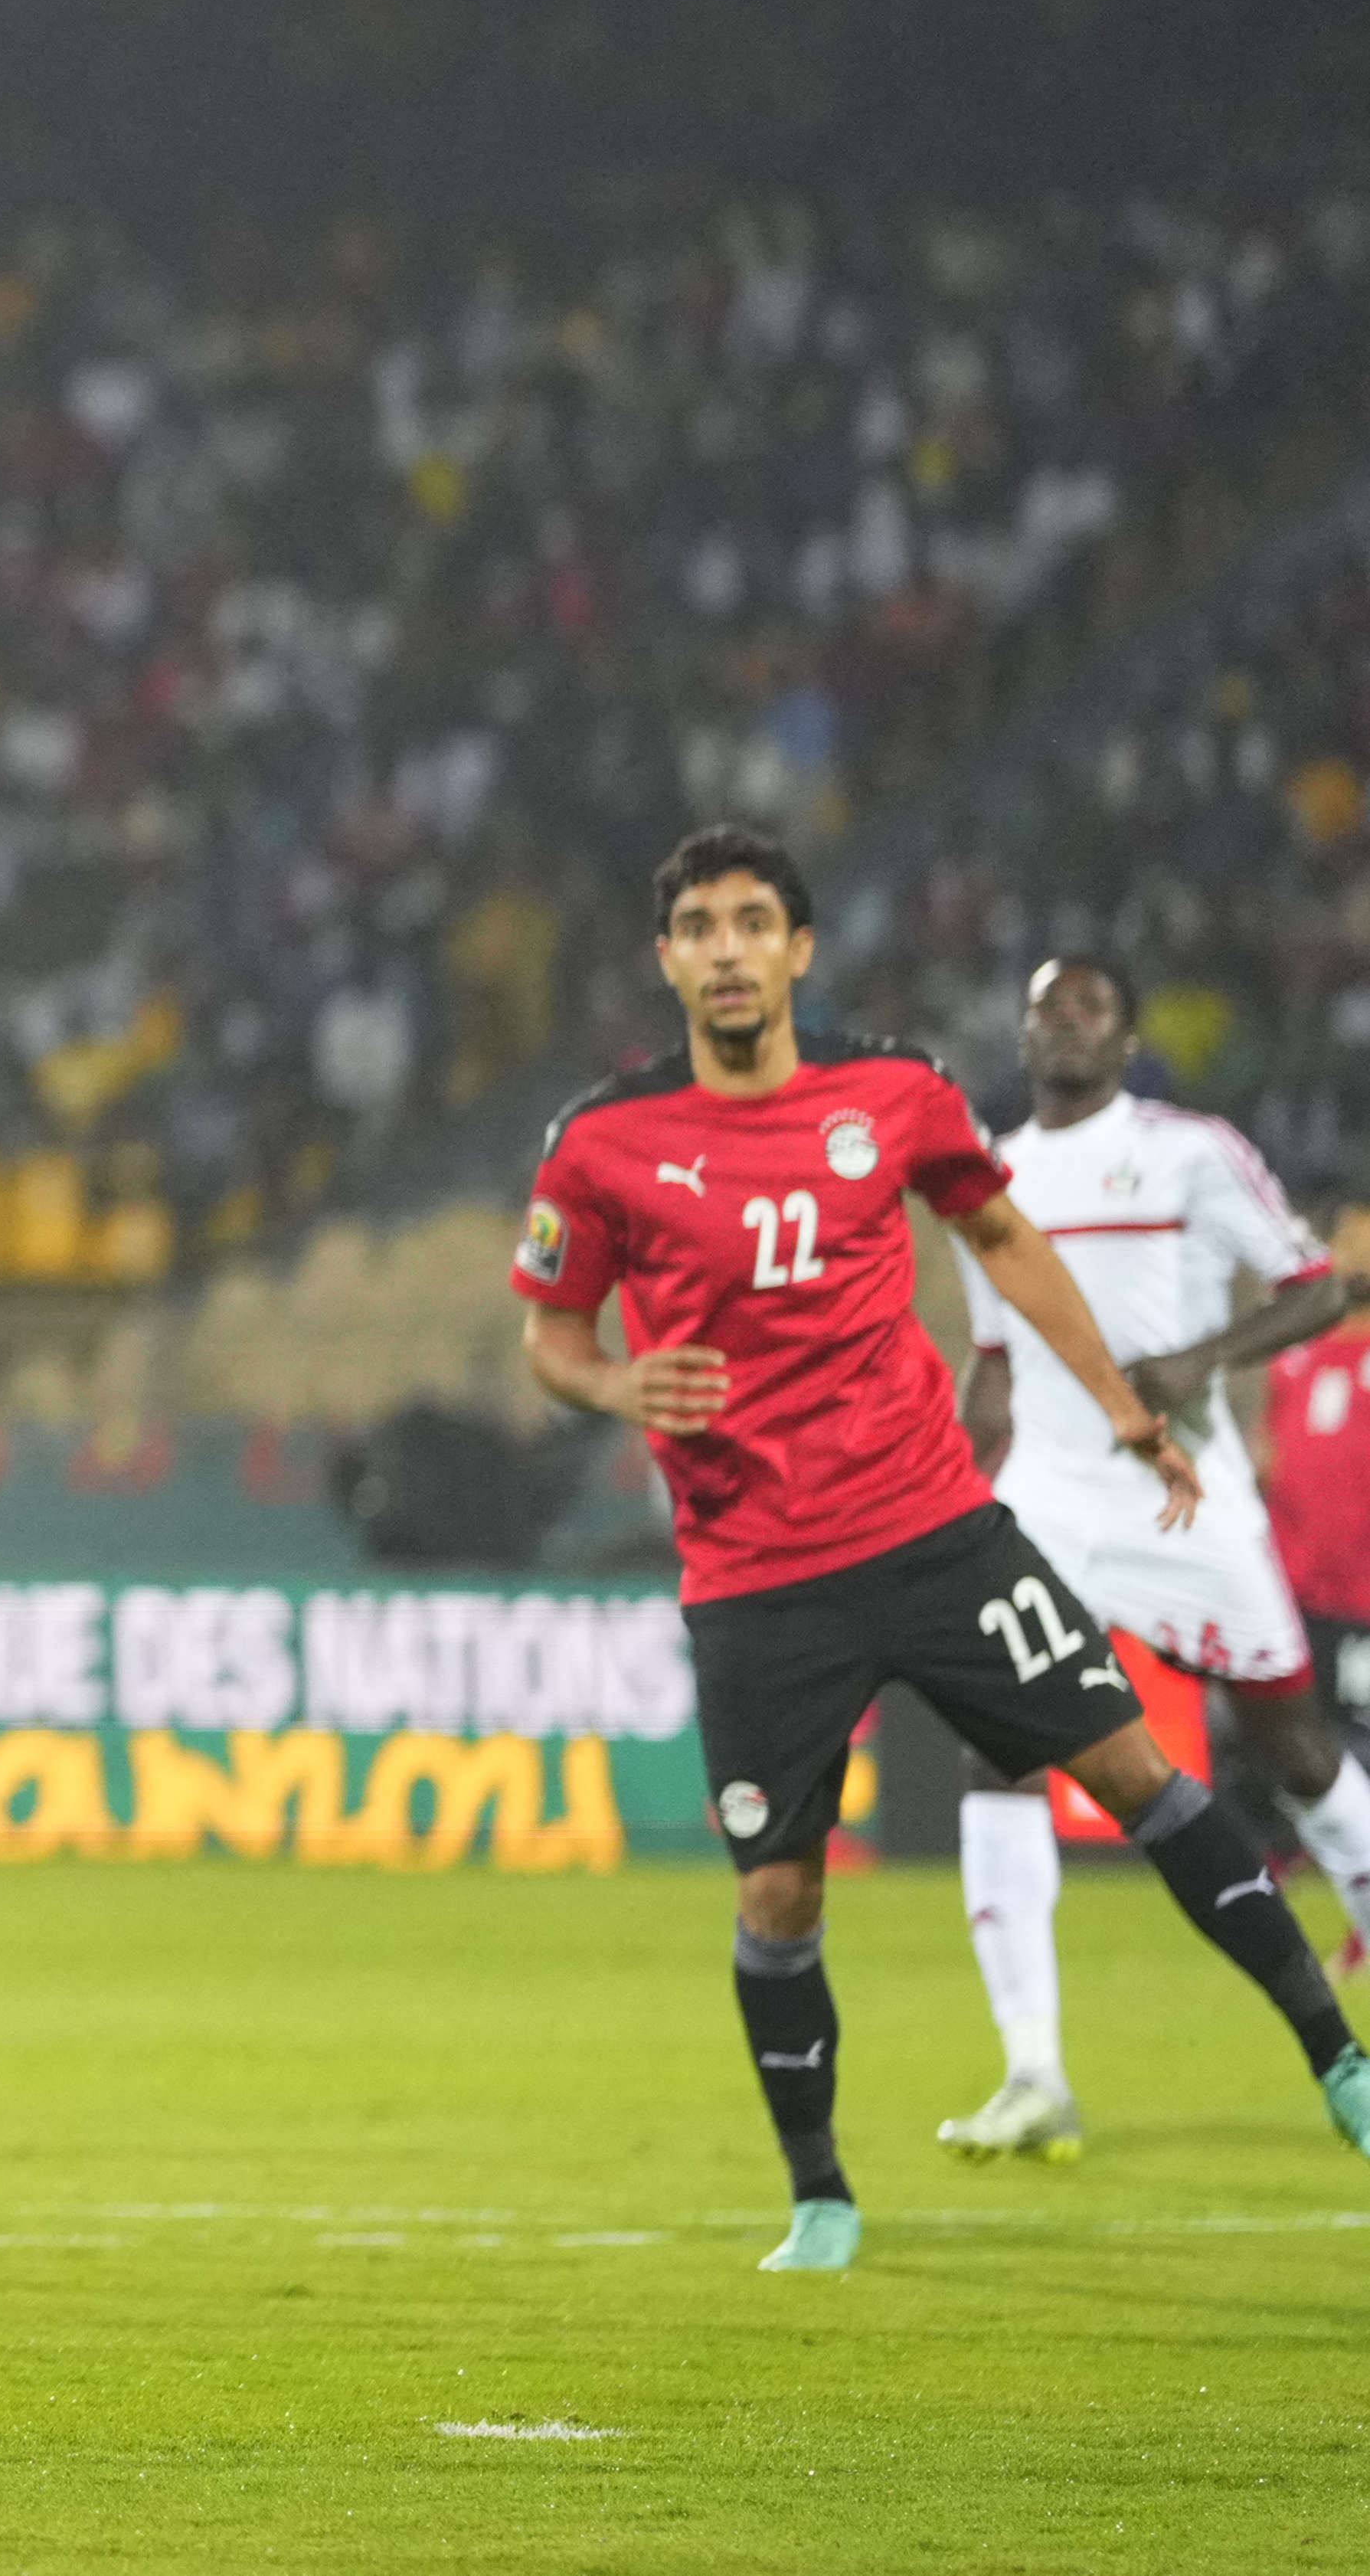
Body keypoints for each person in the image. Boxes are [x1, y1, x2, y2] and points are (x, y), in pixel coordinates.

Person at [510, 824, 1370, 2273]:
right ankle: (821, 2195)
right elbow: (551, 1335)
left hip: (936, 1530)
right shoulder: (602, 1141)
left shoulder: (894, 1093)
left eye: (752, 921)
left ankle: (1339, 2061)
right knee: (779, 1891)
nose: (726, 947)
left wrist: (1121, 1405)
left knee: (1137, 1770)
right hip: (752, 1575)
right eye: (699, 926)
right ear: (667, 960)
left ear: (798, 948)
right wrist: (609, 1384)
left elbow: (1009, 1244)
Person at [940, 954, 1363, 2160]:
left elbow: (1314, 1285)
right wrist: (963, 1478)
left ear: (1126, 1040)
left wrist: (1200, 1362)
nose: (1065, 1023)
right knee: (997, 1747)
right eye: (1045, 1007)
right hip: (1048, 1501)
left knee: (1292, 1749)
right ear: (1021, 1033)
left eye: (1090, 1008)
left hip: (1184, 1500)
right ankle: (1032, 2073)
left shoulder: (1187, 1148)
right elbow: (992, 1358)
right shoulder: (985, 1174)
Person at [1260, 1183, 1370, 1952]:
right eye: (1349, 1239)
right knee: (1282, 1737)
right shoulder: (1292, 1358)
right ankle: (1291, 1858)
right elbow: (1273, 1463)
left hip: (1365, 1598)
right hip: (1295, 1595)